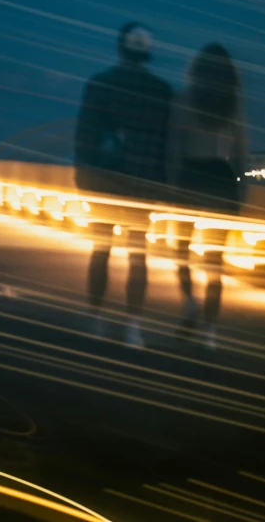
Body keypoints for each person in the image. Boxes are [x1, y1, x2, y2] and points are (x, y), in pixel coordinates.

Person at [75, 22, 172, 347]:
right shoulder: (162, 91)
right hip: (143, 183)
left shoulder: (100, 84)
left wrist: (83, 175)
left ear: (120, 48)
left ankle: (97, 319)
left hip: (105, 178)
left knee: (101, 250)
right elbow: (167, 143)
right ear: (148, 53)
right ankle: (133, 327)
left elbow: (85, 134)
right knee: (137, 255)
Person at [167, 43, 247, 349]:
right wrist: (241, 189)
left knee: (180, 250)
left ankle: (190, 301)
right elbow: (242, 150)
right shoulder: (232, 103)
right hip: (220, 179)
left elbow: (174, 146)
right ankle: (210, 333)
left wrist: (171, 184)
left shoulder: (183, 99)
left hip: (190, 175)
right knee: (215, 262)